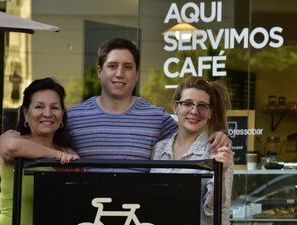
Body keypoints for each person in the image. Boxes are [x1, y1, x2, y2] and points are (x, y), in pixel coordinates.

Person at [66, 37, 230, 171]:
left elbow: (191, 132)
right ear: (99, 71)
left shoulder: (157, 118)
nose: (120, 73)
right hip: (84, 211)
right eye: (112, 66)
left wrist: (218, 134)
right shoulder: (73, 118)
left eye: (128, 67)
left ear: (136, 74)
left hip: (137, 211)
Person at [0, 77, 79, 225]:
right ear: (26, 113)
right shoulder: (13, 139)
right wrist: (56, 156)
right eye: (39, 107)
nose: (47, 113)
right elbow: (11, 147)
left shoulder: (69, 152)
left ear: (62, 115)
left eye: (55, 107)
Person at [151, 76, 234, 225]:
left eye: (202, 106)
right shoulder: (159, 149)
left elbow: (215, 211)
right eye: (188, 103)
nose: (194, 111)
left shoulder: (217, 151)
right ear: (175, 106)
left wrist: (221, 173)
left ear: (210, 113)